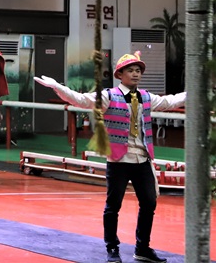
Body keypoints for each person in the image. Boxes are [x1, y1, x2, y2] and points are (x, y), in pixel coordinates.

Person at [35, 52, 186, 263]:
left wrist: (193, 91)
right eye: (131, 70)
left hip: (142, 159)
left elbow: (169, 101)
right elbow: (81, 100)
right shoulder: (108, 96)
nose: (135, 74)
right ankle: (112, 248)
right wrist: (57, 87)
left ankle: (142, 248)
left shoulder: (145, 97)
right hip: (118, 160)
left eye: (138, 71)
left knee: (149, 203)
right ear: (120, 75)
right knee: (113, 206)